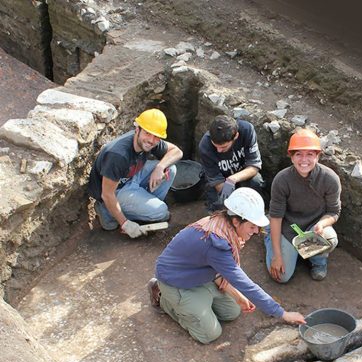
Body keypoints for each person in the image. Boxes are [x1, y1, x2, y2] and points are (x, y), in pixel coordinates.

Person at [148, 187, 305, 344]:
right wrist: (282, 313)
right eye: (252, 226)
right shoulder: (216, 243)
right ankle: (162, 296)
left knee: (232, 311)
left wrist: (237, 296)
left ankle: (197, 304)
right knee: (209, 334)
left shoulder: (223, 226)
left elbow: (219, 268)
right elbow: (244, 283)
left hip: (198, 275)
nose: (256, 231)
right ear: (236, 221)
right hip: (176, 282)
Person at [87, 108, 183, 238]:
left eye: (156, 136)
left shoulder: (151, 143)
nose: (151, 140)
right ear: (137, 129)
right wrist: (125, 224)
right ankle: (107, 211)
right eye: (148, 133)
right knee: (162, 212)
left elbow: (177, 152)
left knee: (170, 169)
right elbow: (107, 194)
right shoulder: (118, 155)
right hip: (116, 191)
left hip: (131, 178)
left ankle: (143, 209)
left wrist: (160, 167)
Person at [265, 128, 341, 283]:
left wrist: (322, 223)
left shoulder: (330, 179)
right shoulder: (282, 180)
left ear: (318, 156)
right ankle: (270, 238)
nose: (304, 160)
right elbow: (276, 217)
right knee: (282, 277)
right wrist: (277, 256)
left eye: (310, 154)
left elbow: (334, 211)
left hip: (312, 227)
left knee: (330, 238)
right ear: (291, 157)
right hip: (288, 227)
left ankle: (317, 260)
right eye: (298, 154)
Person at [198, 115, 267, 212]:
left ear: (236, 136)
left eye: (224, 147)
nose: (219, 150)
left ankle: (256, 211)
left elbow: (254, 166)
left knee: (256, 182)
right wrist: (231, 203)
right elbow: (216, 180)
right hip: (220, 180)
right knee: (219, 206)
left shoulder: (247, 130)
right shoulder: (205, 146)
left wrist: (232, 179)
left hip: (242, 174)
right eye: (216, 146)